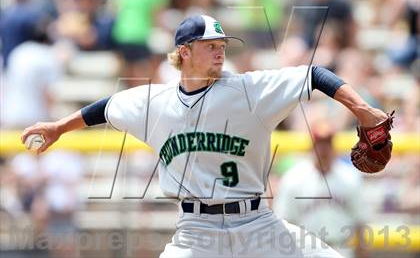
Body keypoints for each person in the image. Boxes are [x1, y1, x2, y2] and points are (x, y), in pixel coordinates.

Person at [22, 15, 389, 257]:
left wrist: (362, 110)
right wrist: (57, 128)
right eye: (210, 46)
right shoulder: (154, 102)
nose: (220, 52)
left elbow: (314, 75)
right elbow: (104, 108)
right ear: (184, 53)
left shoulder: (248, 90)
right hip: (195, 232)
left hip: (256, 224)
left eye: (222, 46)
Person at [273, 121, 367, 258]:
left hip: (341, 249)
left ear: (333, 146)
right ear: (312, 146)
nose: (323, 149)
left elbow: (361, 222)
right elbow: (284, 223)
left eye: (327, 144)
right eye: (319, 144)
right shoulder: (293, 178)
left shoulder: (351, 178)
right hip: (306, 251)